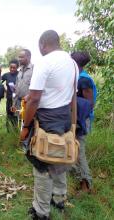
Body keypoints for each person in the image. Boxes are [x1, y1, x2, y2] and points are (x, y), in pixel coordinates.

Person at [20, 30, 78, 220]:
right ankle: (59, 198)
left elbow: (34, 99)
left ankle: (41, 211)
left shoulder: (45, 62)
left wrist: (26, 126)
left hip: (46, 118)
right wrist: (73, 123)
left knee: (42, 163)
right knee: (60, 156)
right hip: (64, 115)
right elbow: (70, 96)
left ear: (43, 44)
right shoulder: (72, 63)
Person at [71, 51, 97, 192]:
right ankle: (78, 178)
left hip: (81, 120)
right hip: (76, 119)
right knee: (73, 149)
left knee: (79, 152)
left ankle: (86, 184)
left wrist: (78, 119)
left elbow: (89, 103)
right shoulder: (77, 77)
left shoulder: (83, 79)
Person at [2, 59, 19, 129]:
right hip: (9, 98)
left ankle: (15, 129)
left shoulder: (19, 75)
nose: (12, 69)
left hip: (17, 99)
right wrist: (4, 89)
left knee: (16, 115)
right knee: (9, 114)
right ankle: (9, 130)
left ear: (17, 67)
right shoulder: (6, 75)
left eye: (14, 67)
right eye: (10, 67)